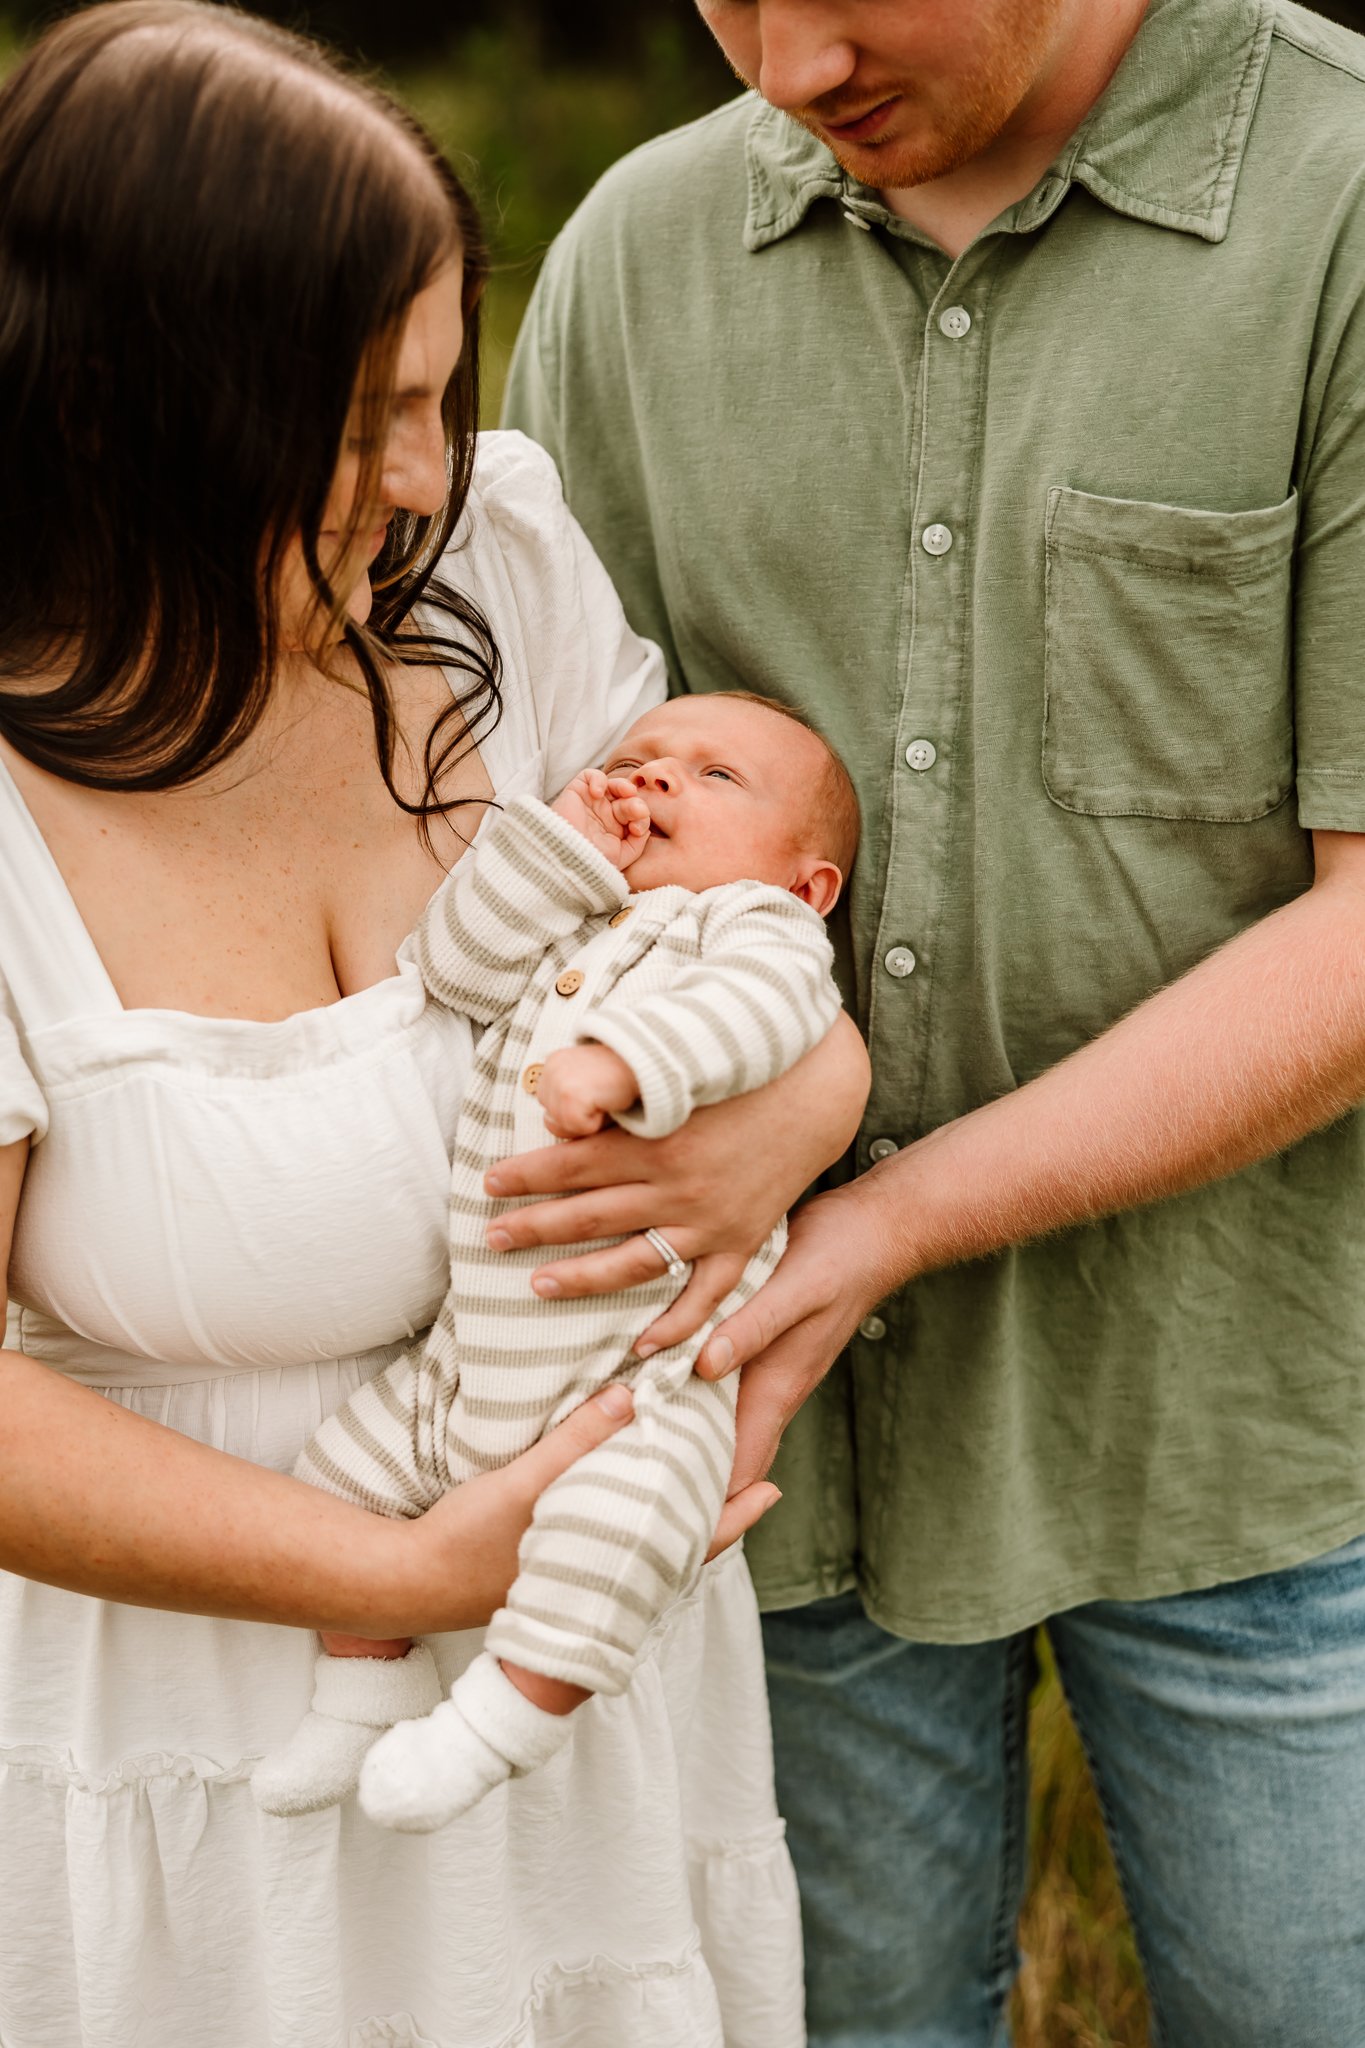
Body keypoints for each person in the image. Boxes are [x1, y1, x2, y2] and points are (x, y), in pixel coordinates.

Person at [0, 5, 870, 2043]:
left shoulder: (492, 558)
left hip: (578, 1709)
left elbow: (752, 921)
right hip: (187, 1751)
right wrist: (400, 1564)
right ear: (130, 411)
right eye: (357, 411)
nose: (419, 476)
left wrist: (806, 1102)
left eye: (433, 390)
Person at [502, 0, 1365, 2040]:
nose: (789, 67)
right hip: (767, 1451)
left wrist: (868, 1192)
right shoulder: (630, 262)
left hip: (1252, 1422)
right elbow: (514, 842)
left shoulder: (1338, 206)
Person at [252, 693, 856, 1832]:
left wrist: (626, 1063)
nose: (659, 778)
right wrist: (561, 843)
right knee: (335, 1481)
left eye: (716, 777)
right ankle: (363, 1684)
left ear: (807, 882)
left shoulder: (751, 929)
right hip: (470, 1360)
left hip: (636, 1375)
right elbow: (455, 967)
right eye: (637, 758)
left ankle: (499, 1726)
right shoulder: (575, 921)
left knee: (621, 1534)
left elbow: (763, 1012)